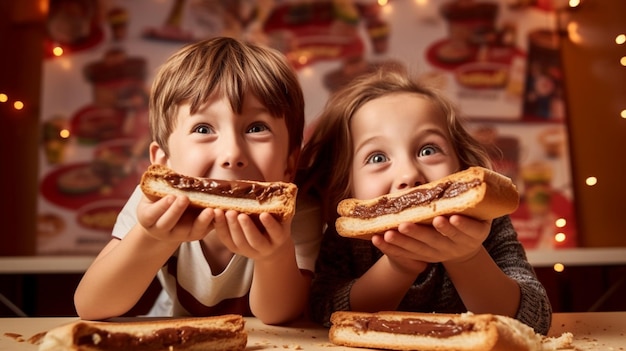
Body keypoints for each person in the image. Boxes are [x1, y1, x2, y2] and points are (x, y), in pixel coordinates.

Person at [74, 37, 322, 325]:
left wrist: (273, 256)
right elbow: (91, 306)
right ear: (163, 162)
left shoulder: (297, 212)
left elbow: (279, 315)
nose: (232, 154)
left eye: (257, 128)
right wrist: (151, 236)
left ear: (290, 164)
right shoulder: (152, 205)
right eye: (203, 128)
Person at [298, 67, 552, 334]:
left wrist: (466, 257)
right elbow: (325, 312)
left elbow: (534, 320)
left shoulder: (488, 223)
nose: (409, 174)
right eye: (377, 158)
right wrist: (398, 266)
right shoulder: (346, 239)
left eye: (428, 150)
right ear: (345, 186)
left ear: (462, 165)